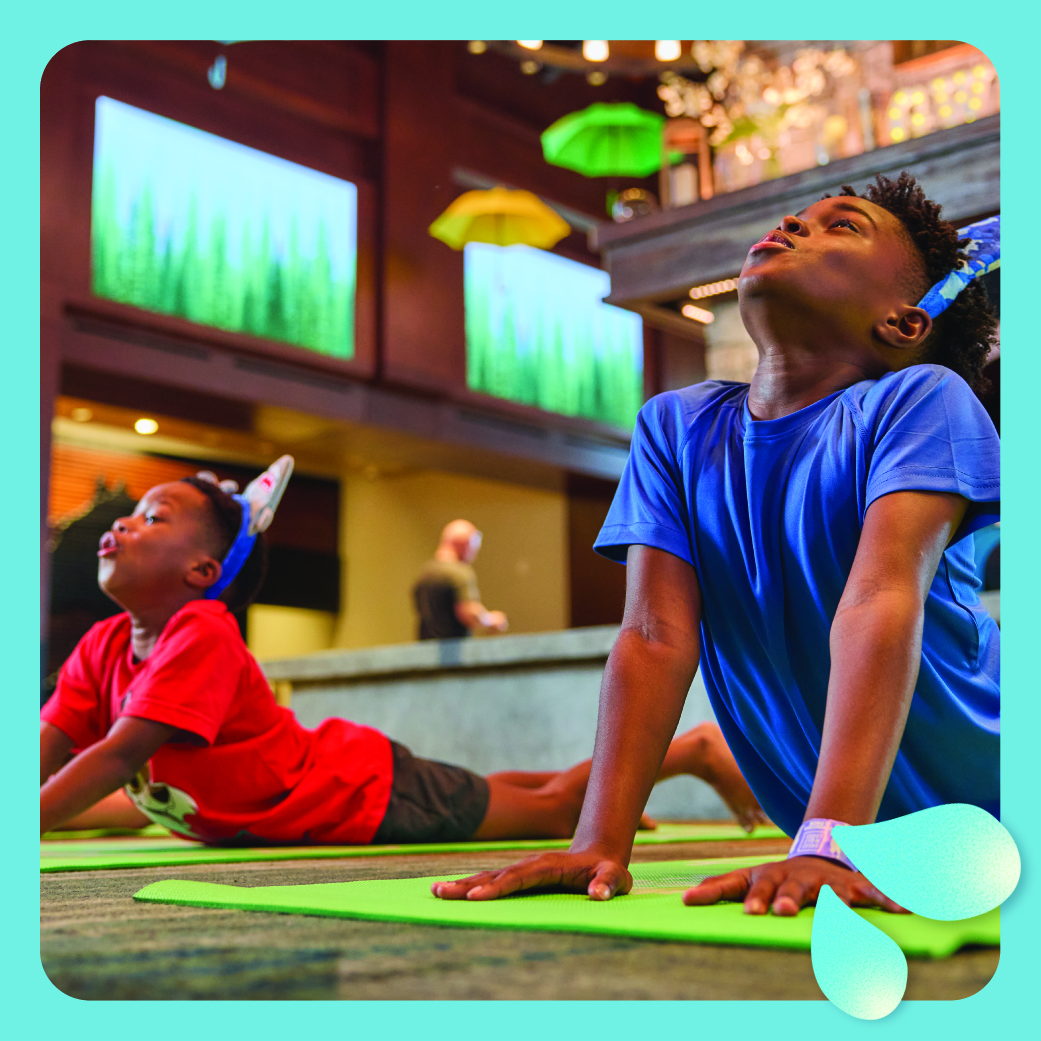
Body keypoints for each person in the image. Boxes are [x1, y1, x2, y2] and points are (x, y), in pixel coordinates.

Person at [433, 173, 999, 916]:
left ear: (903, 323)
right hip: (838, 834)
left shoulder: (920, 398)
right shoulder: (675, 427)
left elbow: (880, 596)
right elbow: (652, 636)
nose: (793, 223)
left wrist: (829, 841)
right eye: (797, 214)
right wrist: (597, 842)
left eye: (842, 225)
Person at [40, 459, 769, 844]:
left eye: (153, 517)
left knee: (555, 812)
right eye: (132, 514)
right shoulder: (104, 644)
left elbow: (115, 756)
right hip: (353, 788)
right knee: (504, 791)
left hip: (362, 796)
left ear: (203, 572)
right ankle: (617, 779)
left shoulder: (200, 631)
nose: (124, 523)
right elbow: (51, 746)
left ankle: (694, 750)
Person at [412, 519, 508, 639]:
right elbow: (468, 613)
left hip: (425, 648)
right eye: (474, 548)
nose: (474, 555)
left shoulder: (424, 573)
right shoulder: (459, 573)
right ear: (465, 544)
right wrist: (491, 620)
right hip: (453, 648)